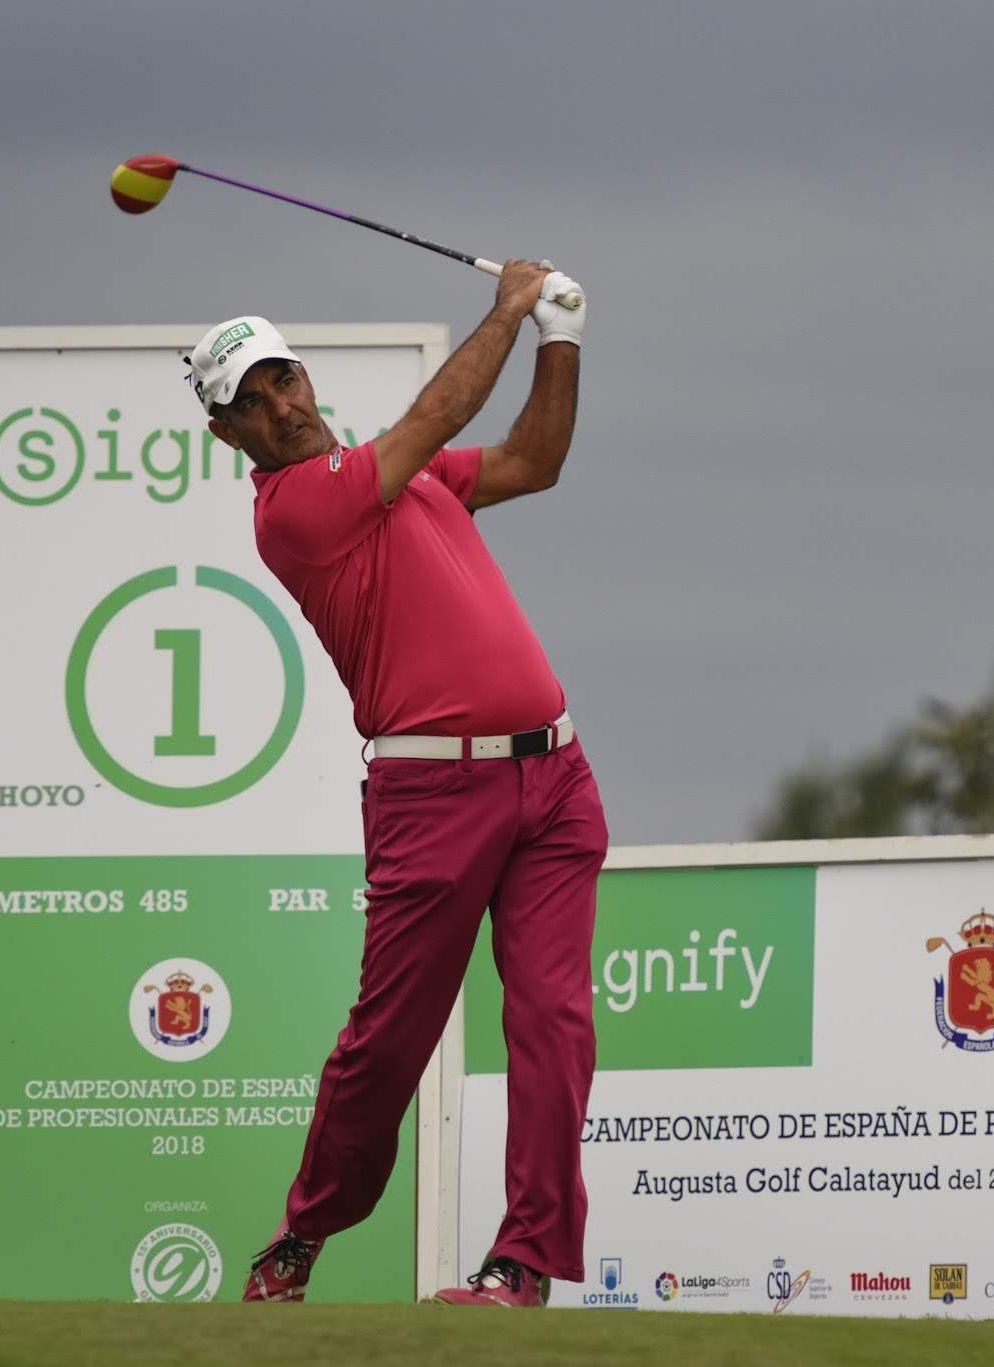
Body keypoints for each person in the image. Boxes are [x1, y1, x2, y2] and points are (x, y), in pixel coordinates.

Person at [184, 261, 604, 1307]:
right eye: (250, 398)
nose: (280, 403)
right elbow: (440, 408)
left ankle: (523, 1262)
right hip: (431, 798)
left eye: (281, 376)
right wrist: (510, 306)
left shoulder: (406, 479)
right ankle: (301, 1235)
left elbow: (532, 459)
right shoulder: (295, 508)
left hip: (554, 777)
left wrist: (562, 336)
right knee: (389, 1038)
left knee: (553, 1019)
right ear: (226, 431)